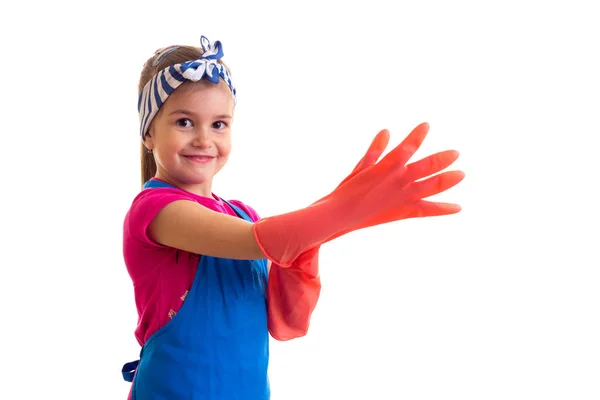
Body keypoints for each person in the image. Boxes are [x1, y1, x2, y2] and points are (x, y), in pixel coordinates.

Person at [121, 35, 465, 400]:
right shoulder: (154, 210)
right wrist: (345, 207)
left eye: (219, 124)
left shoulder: (243, 215)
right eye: (185, 122)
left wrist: (322, 227)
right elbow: (262, 240)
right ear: (148, 133)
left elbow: (287, 323)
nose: (204, 139)